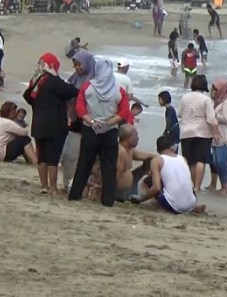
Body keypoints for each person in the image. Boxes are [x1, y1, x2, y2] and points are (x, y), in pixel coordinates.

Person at [68, 57, 130, 206]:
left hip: (90, 129)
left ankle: (75, 194)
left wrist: (91, 121)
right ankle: (108, 200)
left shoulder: (87, 87)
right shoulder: (118, 90)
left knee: (84, 163)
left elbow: (80, 107)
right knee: (109, 166)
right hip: (110, 131)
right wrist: (109, 122)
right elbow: (124, 111)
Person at [23, 53, 79, 194]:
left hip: (38, 124)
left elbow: (28, 97)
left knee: (42, 156)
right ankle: (53, 187)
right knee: (53, 157)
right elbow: (72, 91)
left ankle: (44, 186)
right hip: (54, 125)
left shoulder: (35, 81)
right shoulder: (53, 81)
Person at [130, 136, 206, 215]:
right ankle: (192, 208)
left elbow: (156, 188)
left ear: (157, 150)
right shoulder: (183, 159)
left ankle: (157, 204)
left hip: (175, 206)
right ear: (172, 147)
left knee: (148, 180)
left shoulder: (157, 160)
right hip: (192, 202)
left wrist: (141, 199)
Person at [178, 74, 219, 192]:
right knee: (200, 160)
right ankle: (197, 186)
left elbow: (179, 114)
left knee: (190, 161)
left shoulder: (184, 97)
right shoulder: (206, 99)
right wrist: (215, 133)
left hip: (186, 132)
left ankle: (191, 185)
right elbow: (211, 119)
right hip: (202, 133)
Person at [115, 125, 156, 202]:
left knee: (150, 162)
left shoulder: (131, 151)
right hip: (120, 192)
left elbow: (150, 156)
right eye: (136, 135)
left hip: (131, 187)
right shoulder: (121, 151)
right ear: (128, 138)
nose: (138, 138)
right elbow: (115, 175)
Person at [210, 78, 227, 194]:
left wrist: (213, 114)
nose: (213, 92)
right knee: (216, 162)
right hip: (216, 136)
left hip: (225, 136)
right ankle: (223, 185)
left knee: (222, 162)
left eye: (216, 90)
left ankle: (226, 186)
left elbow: (226, 118)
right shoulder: (216, 103)